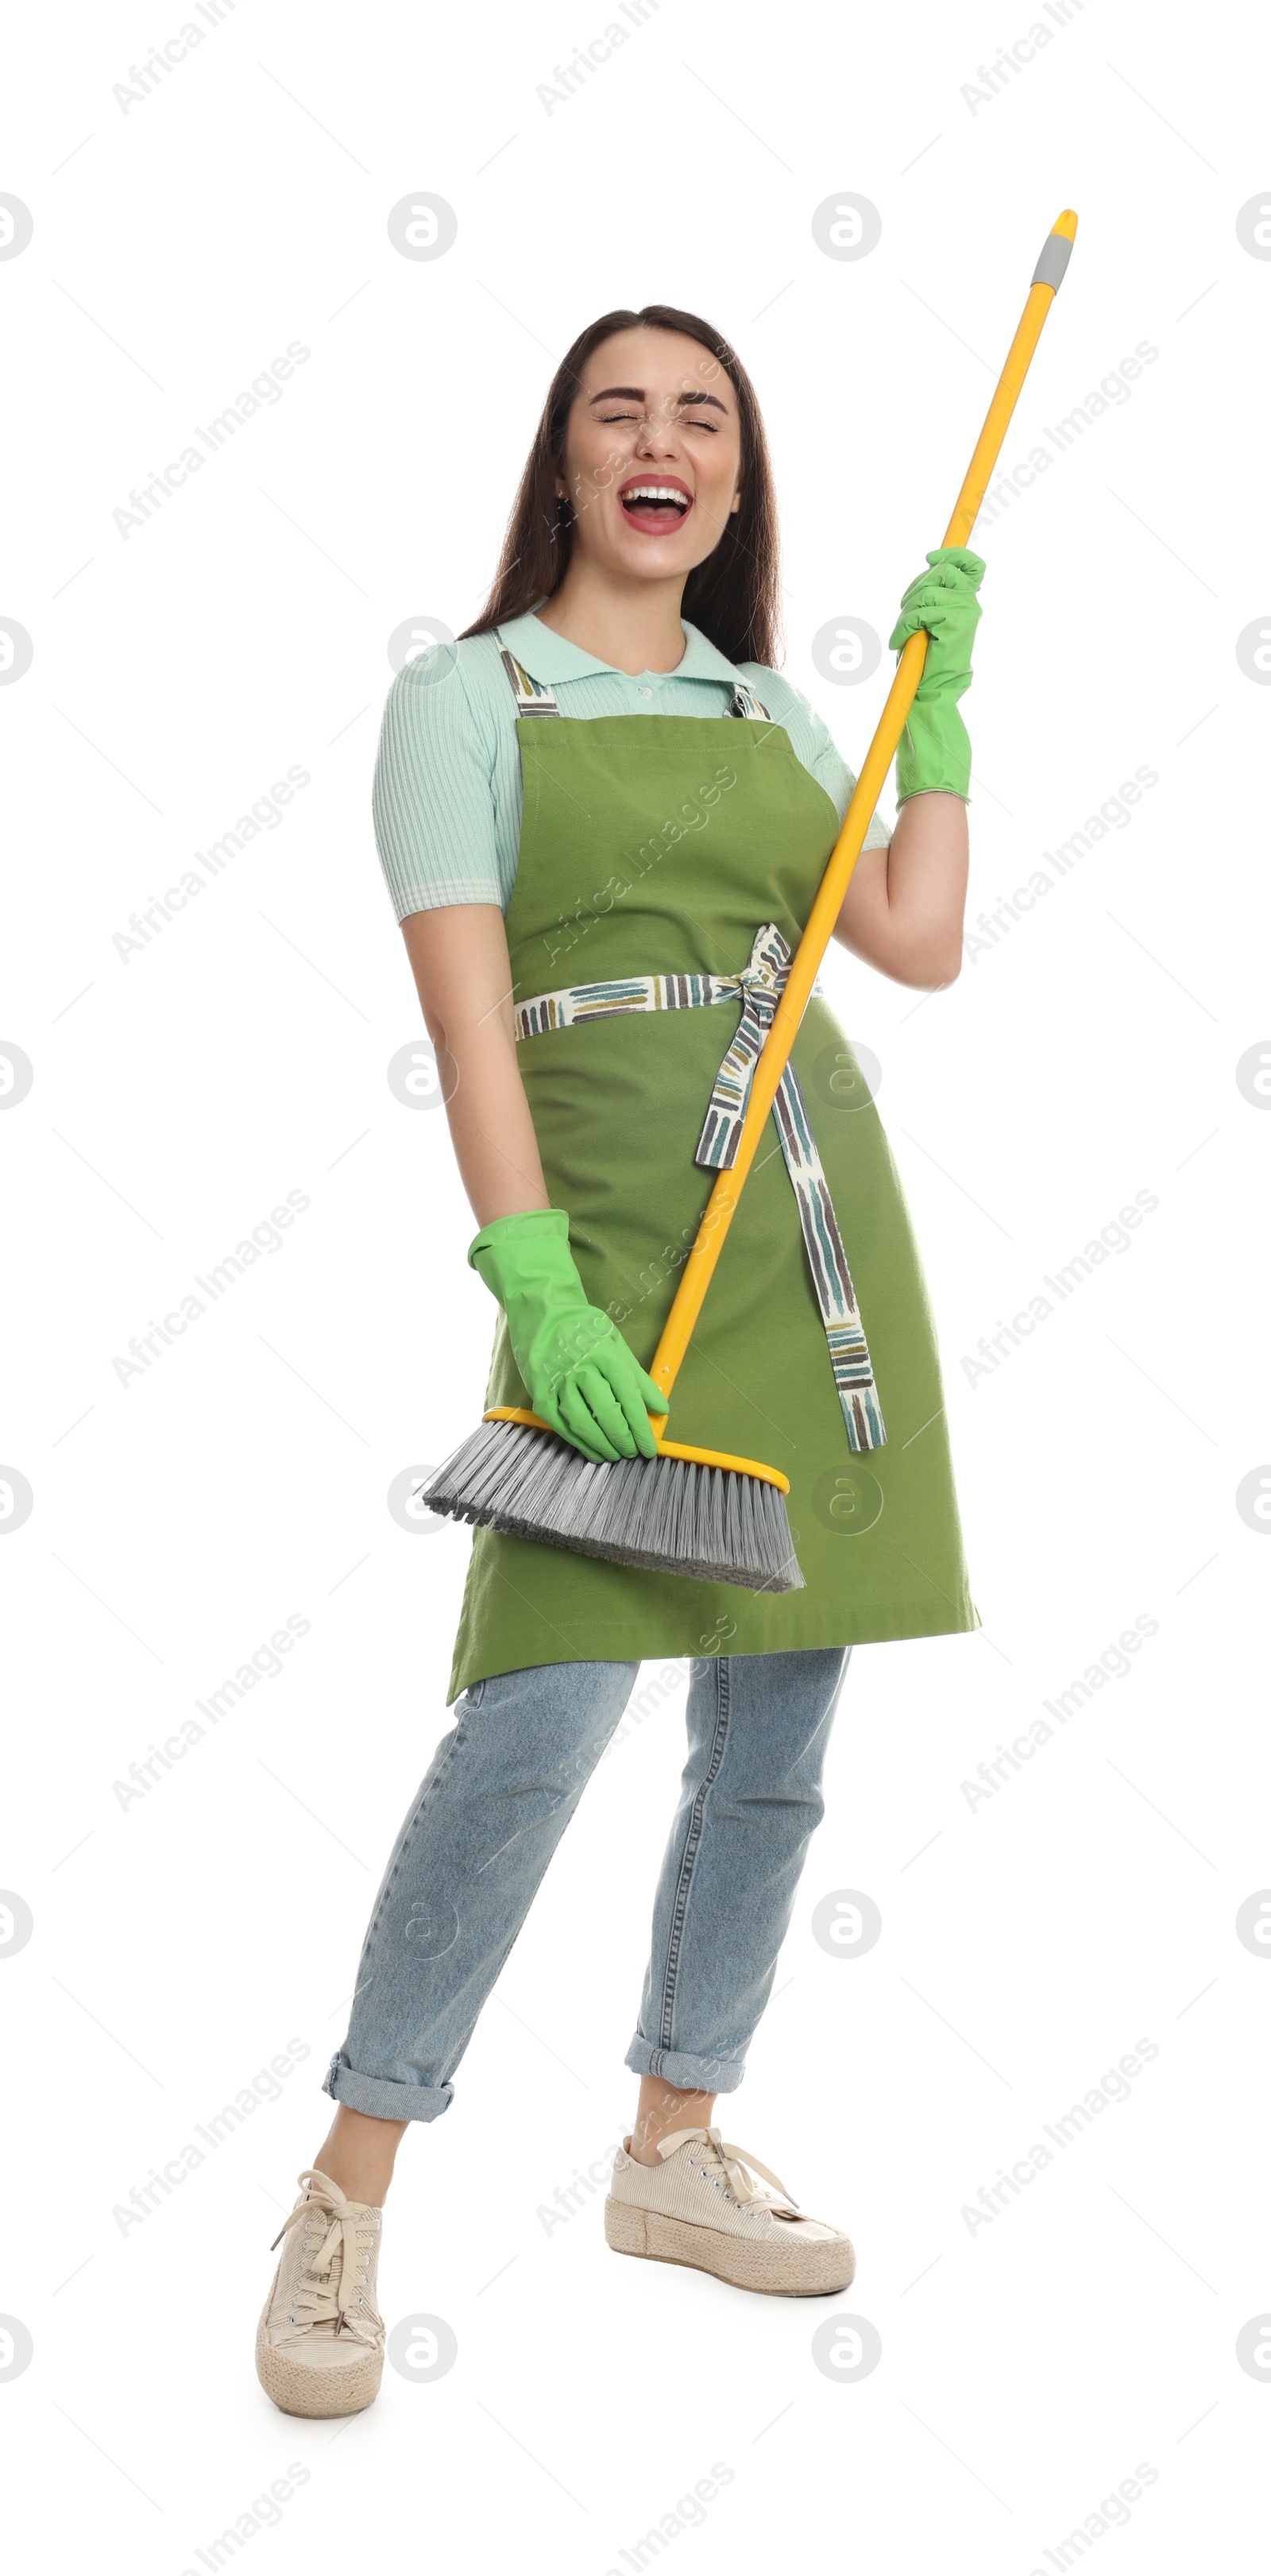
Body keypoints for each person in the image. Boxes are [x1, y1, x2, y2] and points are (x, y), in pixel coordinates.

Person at [256, 303, 983, 2417]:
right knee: (530, 1734)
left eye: (703, 419)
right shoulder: (461, 700)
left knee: (773, 1741)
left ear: (737, 485)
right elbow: (474, 1025)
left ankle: (672, 2142)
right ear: (564, 465)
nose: (661, 445)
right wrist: (532, 1284)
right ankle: (349, 2182)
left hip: (810, 1255)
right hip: (605, 1265)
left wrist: (938, 738)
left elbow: (915, 941)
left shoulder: (771, 709)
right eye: (618, 413)